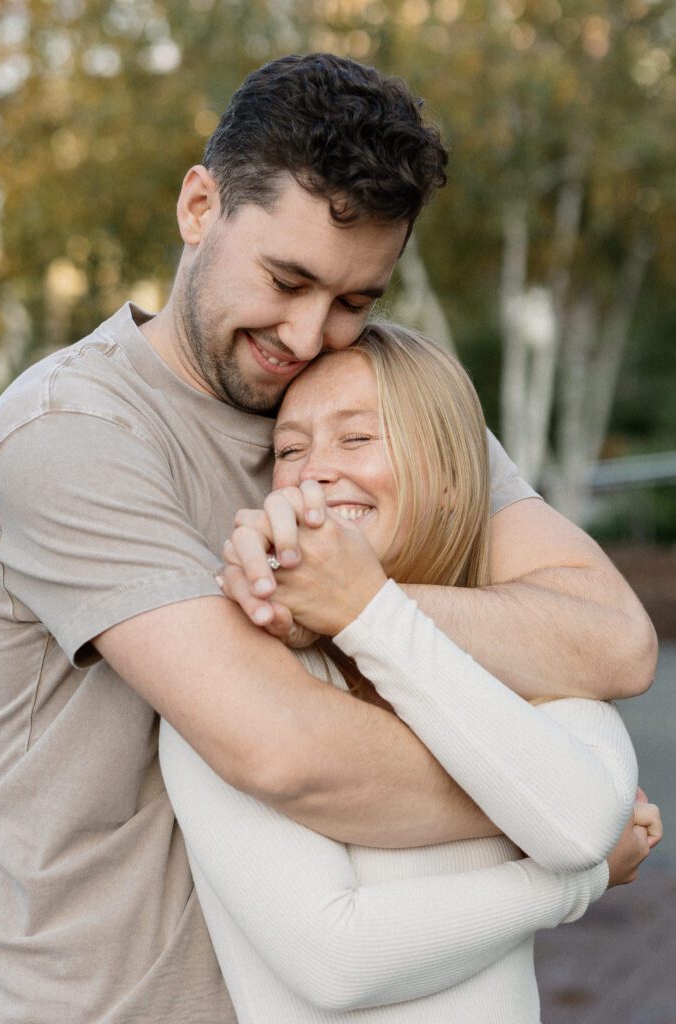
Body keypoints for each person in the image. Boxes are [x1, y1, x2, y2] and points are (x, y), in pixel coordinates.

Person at [0, 54, 656, 1024]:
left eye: (354, 300)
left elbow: (612, 638)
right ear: (197, 208)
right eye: (286, 279)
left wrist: (362, 607)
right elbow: (286, 752)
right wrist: (561, 809)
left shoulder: (374, 401)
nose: (307, 336)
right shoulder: (71, 432)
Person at [159, 323, 661, 1022]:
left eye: (356, 438)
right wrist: (575, 887)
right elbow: (334, 960)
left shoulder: (522, 649)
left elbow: (574, 825)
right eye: (289, 449)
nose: (314, 469)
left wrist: (368, 612)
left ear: (455, 482)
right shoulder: (243, 672)